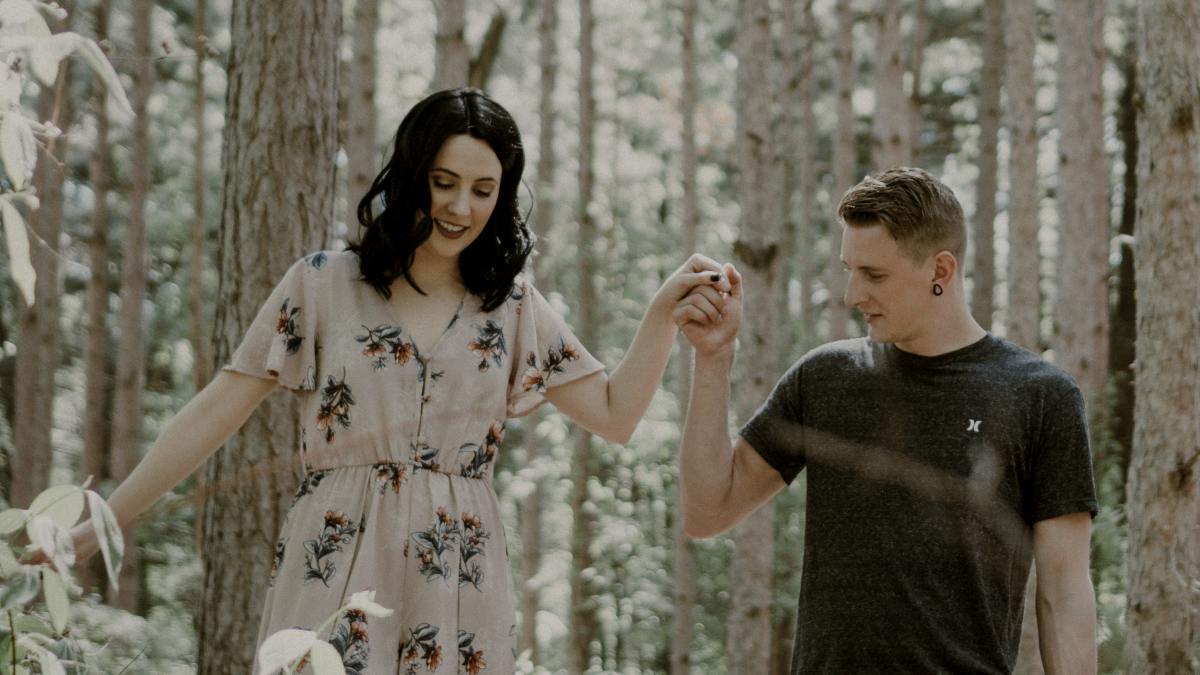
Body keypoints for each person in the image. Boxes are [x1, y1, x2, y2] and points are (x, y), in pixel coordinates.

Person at [47, 88, 730, 673]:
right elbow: (214, 410)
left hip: (460, 582)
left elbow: (615, 413)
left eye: (484, 189)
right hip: (335, 562)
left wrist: (661, 314)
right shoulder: (323, 284)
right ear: (411, 175)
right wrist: (103, 523)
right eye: (444, 181)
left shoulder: (512, 305)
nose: (461, 206)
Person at [673, 167, 1098, 674]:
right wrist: (714, 358)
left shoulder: (1040, 396)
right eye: (849, 269)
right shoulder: (826, 378)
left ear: (940, 271)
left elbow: (1064, 592)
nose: (852, 295)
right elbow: (707, 511)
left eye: (874, 275)